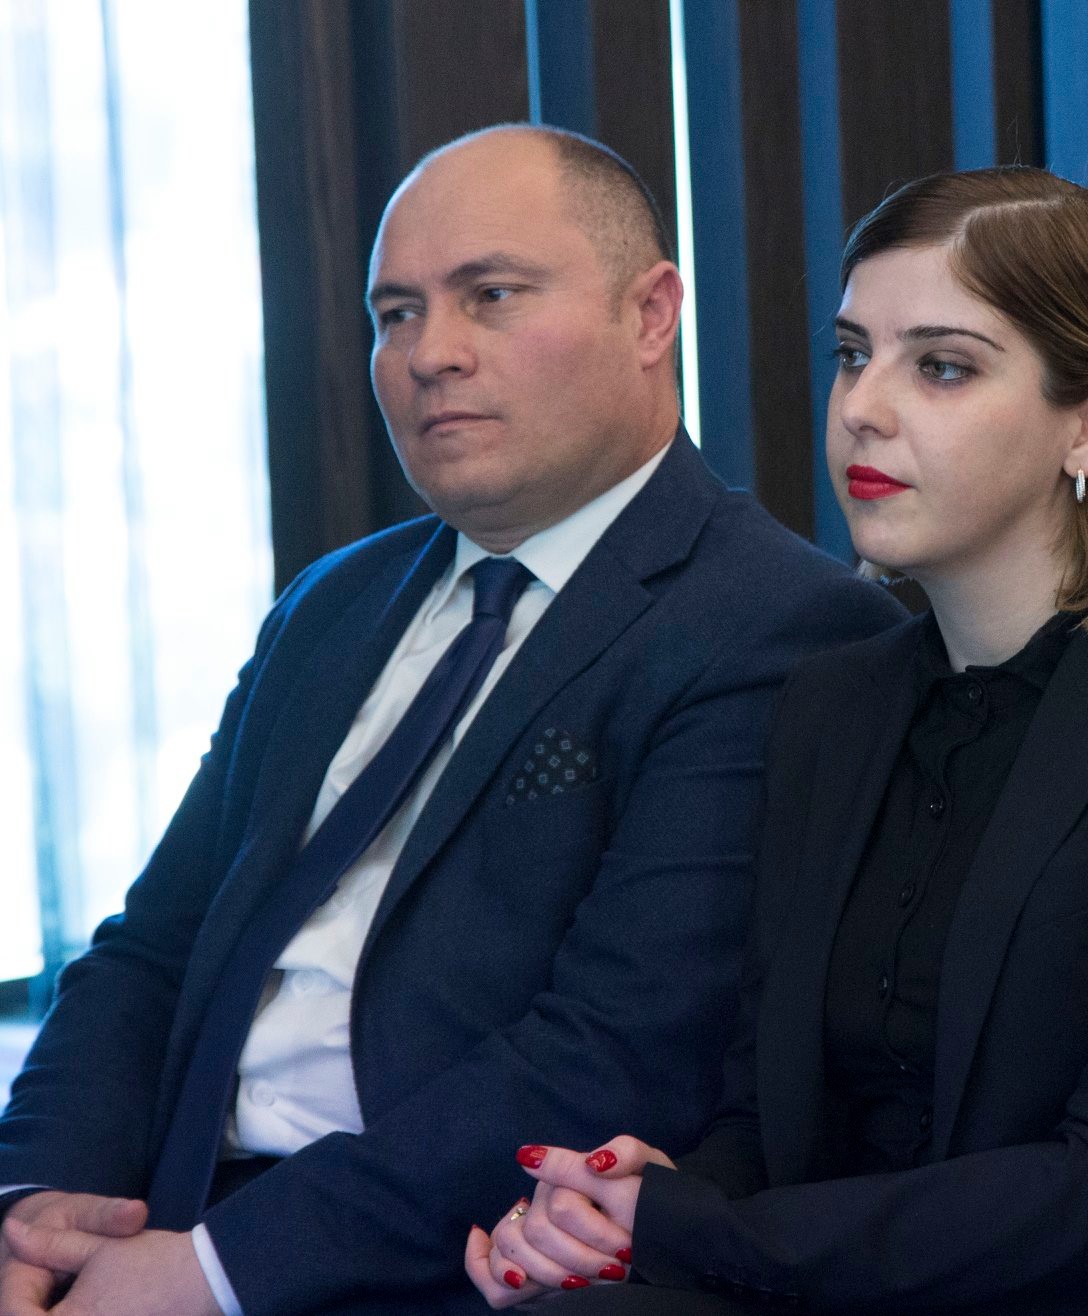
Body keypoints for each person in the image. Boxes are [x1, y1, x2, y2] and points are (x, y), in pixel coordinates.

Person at [0, 125, 903, 1315]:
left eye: (491, 294)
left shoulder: (776, 623)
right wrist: (37, 1201)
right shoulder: (331, 604)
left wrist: (214, 1273)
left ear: (650, 315)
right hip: (158, 1219)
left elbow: (613, 1049)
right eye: (397, 314)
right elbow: (151, 948)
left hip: (436, 1267)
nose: (432, 353)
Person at [464, 165, 1088, 1314]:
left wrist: (698, 1227)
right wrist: (621, 1206)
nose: (862, 407)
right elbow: (766, 1121)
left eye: (940, 365)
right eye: (853, 354)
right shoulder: (831, 702)